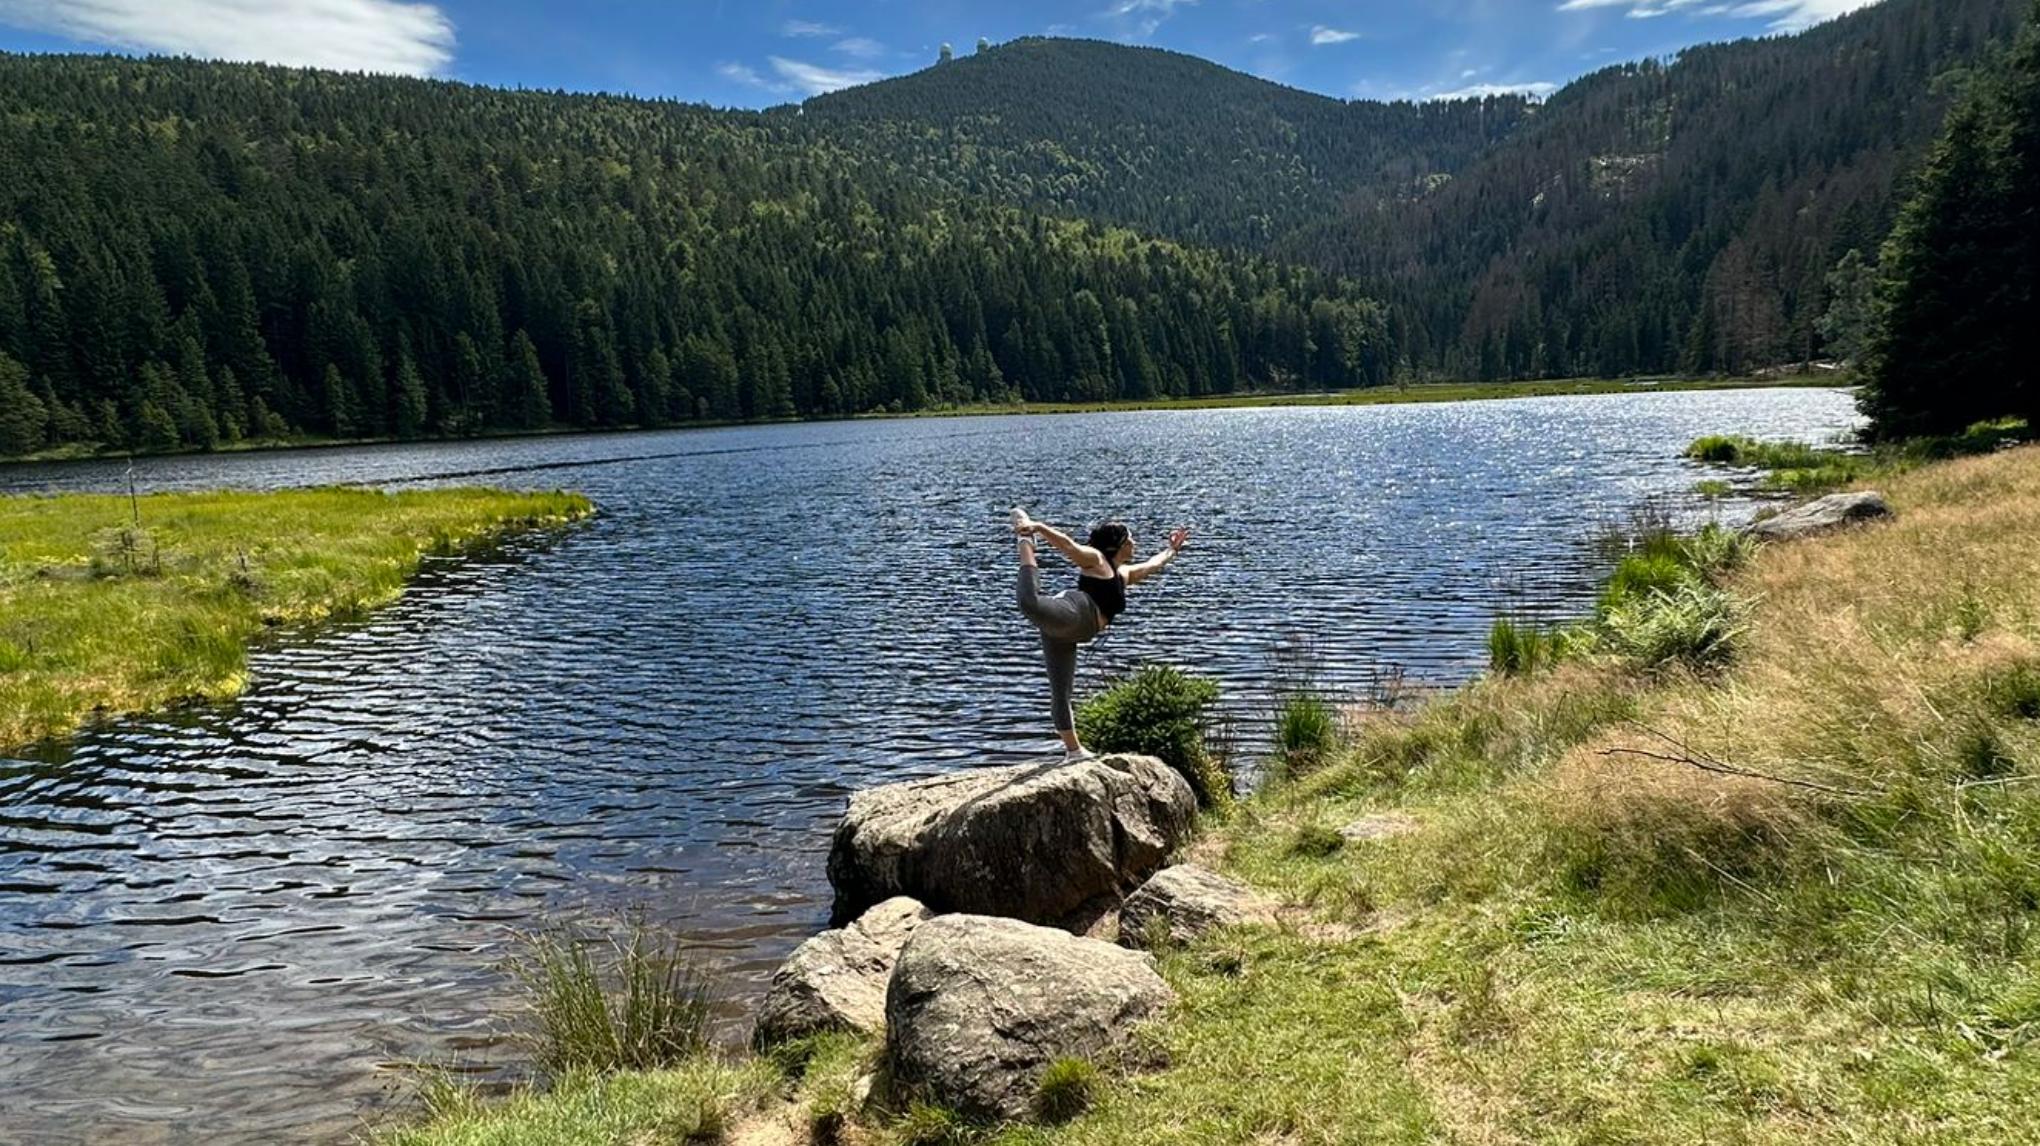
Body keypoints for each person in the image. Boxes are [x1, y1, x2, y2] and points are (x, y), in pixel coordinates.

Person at [1010, 507, 1191, 760]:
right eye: (1130, 539)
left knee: (1061, 692)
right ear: (1119, 544)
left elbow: (1153, 564)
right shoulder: (1096, 560)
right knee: (1029, 603)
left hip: (1072, 631)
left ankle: (1074, 752)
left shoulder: (1123, 574)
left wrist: (1172, 549)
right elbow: (1069, 547)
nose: (1134, 543)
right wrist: (1038, 527)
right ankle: (1025, 541)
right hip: (1073, 614)